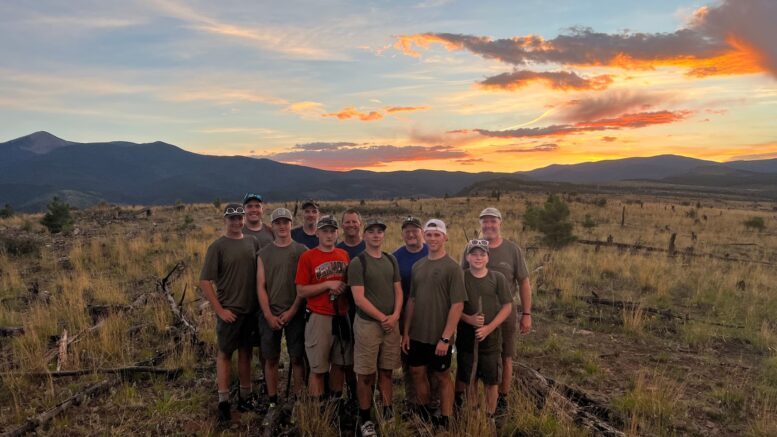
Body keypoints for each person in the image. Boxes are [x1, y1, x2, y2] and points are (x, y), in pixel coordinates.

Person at [461, 207, 532, 415]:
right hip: (476, 316)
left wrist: (526, 313)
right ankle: (472, 402)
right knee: (474, 355)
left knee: (506, 356)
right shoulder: (470, 248)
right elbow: (461, 279)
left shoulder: (512, 249)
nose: (489, 225)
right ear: (480, 224)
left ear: (500, 223)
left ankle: (502, 398)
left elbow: (524, 282)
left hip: (505, 313)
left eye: (493, 221)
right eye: (485, 221)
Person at [401, 219, 466, 429]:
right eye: (429, 234)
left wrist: (446, 338)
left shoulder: (453, 267)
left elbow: (457, 305)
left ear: (445, 237)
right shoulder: (418, 266)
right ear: (424, 237)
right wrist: (406, 332)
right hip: (417, 334)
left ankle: (445, 419)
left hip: (440, 336)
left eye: (437, 235)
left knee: (442, 376)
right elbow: (412, 300)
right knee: (417, 373)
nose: (432, 239)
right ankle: (425, 412)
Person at [199, 203, 261, 424]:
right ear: (225, 220)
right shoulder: (218, 246)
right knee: (225, 354)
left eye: (239, 218)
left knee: (246, 353)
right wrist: (220, 310)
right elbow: (205, 281)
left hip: (250, 310)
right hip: (230, 311)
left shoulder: (252, 242)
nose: (236, 222)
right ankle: (223, 402)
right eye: (231, 218)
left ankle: (245, 395)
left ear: (244, 219)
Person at [347, 219, 402, 437]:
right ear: (365, 235)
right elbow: (359, 299)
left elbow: (398, 290)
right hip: (368, 326)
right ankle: (366, 419)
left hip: (391, 324)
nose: (376, 235)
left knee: (387, 372)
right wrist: (383, 318)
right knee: (366, 374)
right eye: (371, 232)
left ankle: (387, 413)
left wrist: (395, 315)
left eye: (380, 232)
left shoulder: (391, 259)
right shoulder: (358, 262)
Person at [295, 215, 352, 404]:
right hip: (319, 316)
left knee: (340, 363)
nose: (329, 235)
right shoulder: (308, 257)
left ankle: (335, 405)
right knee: (318, 368)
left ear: (337, 233)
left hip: (342, 315)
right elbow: (301, 290)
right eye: (325, 231)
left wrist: (342, 287)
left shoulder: (343, 255)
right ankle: (317, 410)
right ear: (317, 233)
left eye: (332, 231)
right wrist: (328, 284)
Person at [455, 239, 513, 421]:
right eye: (474, 254)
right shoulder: (461, 277)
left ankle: (490, 416)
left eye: (482, 254)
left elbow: (507, 307)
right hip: (466, 339)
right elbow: (453, 306)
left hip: (491, 340)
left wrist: (488, 328)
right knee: (469, 378)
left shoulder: (497, 278)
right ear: (467, 257)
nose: (478, 258)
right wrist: (468, 319)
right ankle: (472, 413)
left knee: (491, 380)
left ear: (488, 257)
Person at [257, 208, 308, 408]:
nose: (282, 226)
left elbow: (302, 286)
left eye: (285, 222)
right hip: (270, 313)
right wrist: (268, 315)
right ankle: (272, 401)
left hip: (295, 312)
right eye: (277, 222)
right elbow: (260, 286)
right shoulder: (263, 253)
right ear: (273, 226)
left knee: (297, 357)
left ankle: (298, 399)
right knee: (271, 358)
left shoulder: (301, 250)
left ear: (291, 224)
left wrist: (293, 310)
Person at [391, 216, 428, 405]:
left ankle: (432, 401)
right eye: (407, 231)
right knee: (408, 360)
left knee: (432, 361)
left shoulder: (433, 252)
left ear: (422, 232)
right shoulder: (395, 257)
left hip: (431, 316)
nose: (411, 234)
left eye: (415, 230)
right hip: (405, 315)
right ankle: (411, 399)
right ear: (403, 234)